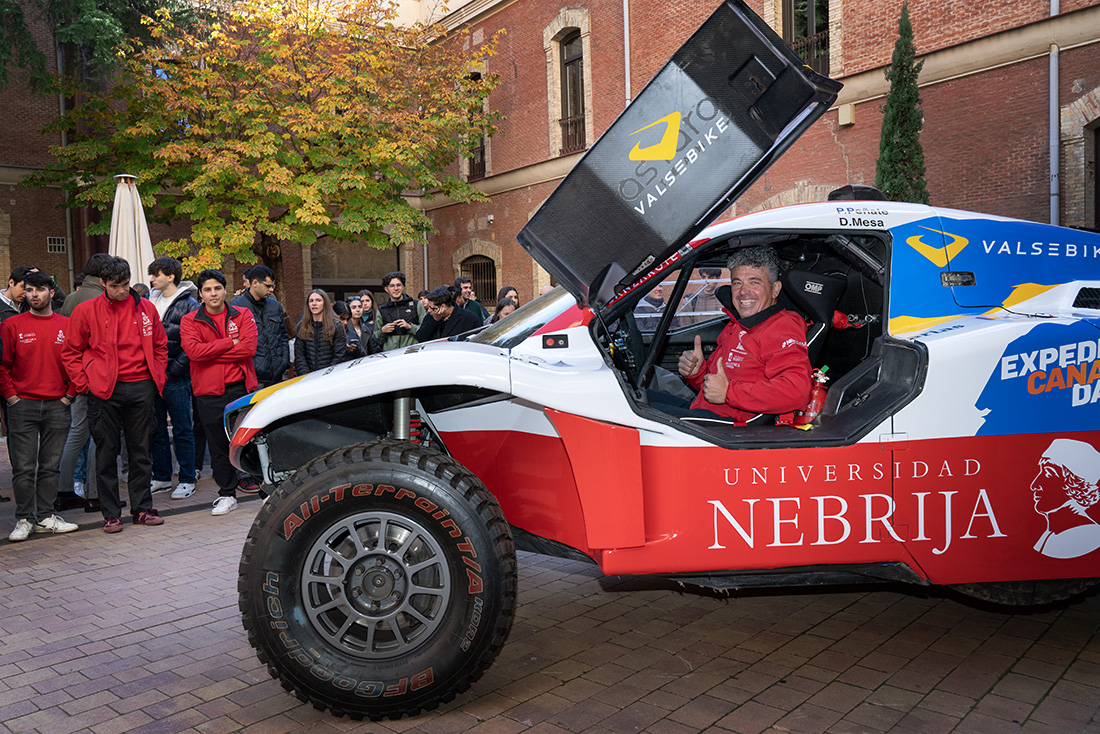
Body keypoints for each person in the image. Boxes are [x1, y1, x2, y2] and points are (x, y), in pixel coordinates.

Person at [61, 256, 168, 533]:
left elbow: (160, 345)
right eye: (114, 286)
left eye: (125, 284)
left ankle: (142, 508)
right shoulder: (86, 310)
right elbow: (70, 351)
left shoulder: (146, 308)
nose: (121, 290)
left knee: (141, 451)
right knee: (106, 452)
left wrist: (156, 376)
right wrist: (84, 383)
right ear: (102, 283)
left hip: (142, 385)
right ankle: (111, 514)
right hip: (103, 389)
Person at [650, 247, 811, 423]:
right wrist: (697, 372)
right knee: (638, 396)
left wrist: (729, 392)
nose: (743, 291)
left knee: (635, 415)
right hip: (703, 408)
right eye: (737, 283)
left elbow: (797, 392)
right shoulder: (737, 325)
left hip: (727, 425)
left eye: (754, 282)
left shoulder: (781, 326)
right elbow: (715, 388)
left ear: (775, 289)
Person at [0, 270, 79, 541]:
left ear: (51, 292)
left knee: (50, 466)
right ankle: (24, 519)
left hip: (58, 404)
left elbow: (77, 363)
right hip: (22, 405)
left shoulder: (67, 325)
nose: (34, 295)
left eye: (40, 290)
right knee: (23, 467)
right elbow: (3, 365)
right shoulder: (11, 325)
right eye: (29, 290)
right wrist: (10, 396)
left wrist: (70, 394)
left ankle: (45, 516)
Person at [181, 269, 258, 516]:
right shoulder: (190, 320)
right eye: (207, 289)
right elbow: (194, 353)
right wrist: (229, 343)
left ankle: (265, 490)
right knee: (218, 446)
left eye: (217, 288)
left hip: (240, 388)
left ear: (225, 290)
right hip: (208, 392)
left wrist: (211, 353)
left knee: (250, 441)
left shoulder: (242, 314)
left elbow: (249, 348)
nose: (213, 293)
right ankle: (227, 494)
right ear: (201, 294)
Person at [56, 253, 114, 512]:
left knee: (77, 433)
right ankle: (94, 493)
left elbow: (67, 343)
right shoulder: (102, 299)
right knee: (99, 435)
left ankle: (63, 490)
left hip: (78, 377)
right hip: (98, 378)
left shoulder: (72, 298)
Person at [148, 257, 199, 500]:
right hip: (152, 376)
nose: (151, 279)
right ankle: (161, 477)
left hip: (176, 377)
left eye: (156, 274)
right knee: (156, 429)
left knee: (182, 429)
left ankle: (187, 479)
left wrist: (172, 371)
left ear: (170, 276)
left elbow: (192, 345)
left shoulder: (190, 305)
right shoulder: (149, 301)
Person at [1031, 439, 1100, 559]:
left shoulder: (1086, 534)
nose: (1034, 485)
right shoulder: (1051, 534)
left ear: (1075, 484)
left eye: (1048, 473)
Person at [230, 265, 290, 389]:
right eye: (268, 286)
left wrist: (284, 362)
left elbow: (283, 336)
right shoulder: (236, 307)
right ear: (255, 283)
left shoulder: (275, 306)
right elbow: (234, 342)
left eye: (273, 286)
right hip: (252, 378)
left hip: (277, 375)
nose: (271, 290)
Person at [295, 289, 346, 375]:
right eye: (311, 301)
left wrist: (326, 375)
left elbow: (339, 355)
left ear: (324, 303)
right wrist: (306, 375)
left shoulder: (336, 327)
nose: (314, 303)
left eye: (318, 300)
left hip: (330, 376)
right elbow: (299, 355)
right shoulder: (302, 326)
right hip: (307, 376)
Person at [374, 271, 424, 351]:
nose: (396, 288)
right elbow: (376, 339)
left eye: (398, 285)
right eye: (392, 286)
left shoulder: (416, 305)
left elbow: (426, 331)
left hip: (412, 353)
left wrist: (410, 327)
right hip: (391, 355)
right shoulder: (382, 310)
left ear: (403, 287)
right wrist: (382, 331)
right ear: (386, 289)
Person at [417, 286, 483, 342]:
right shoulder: (430, 317)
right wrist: (434, 321)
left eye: (432, 308)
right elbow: (420, 338)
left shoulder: (469, 318)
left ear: (443, 307)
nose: (429, 310)